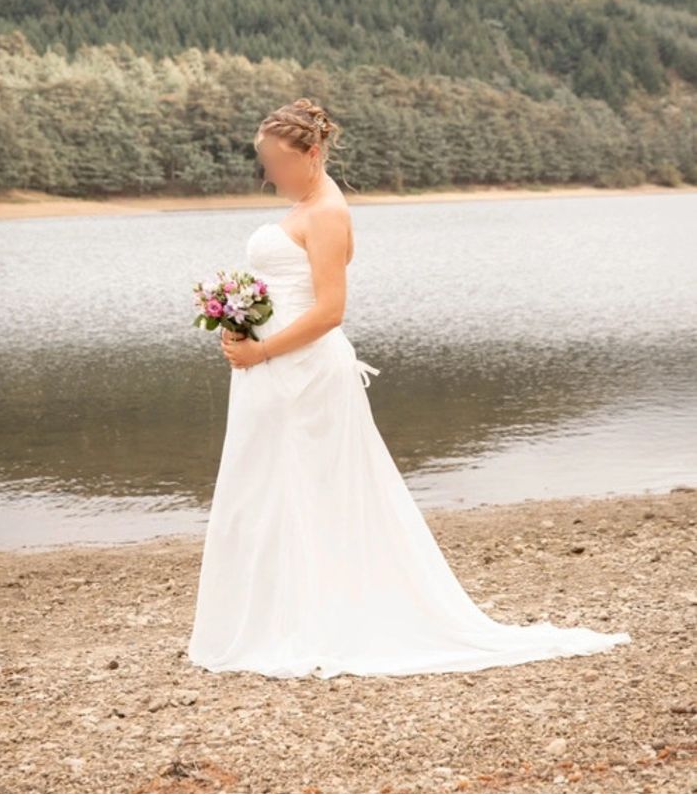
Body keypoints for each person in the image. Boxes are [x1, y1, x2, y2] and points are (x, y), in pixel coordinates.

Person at [187, 97, 631, 679]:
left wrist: (261, 349)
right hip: (274, 372)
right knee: (273, 487)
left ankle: (315, 623)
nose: (268, 173)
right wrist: (240, 324)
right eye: (262, 160)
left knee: (311, 489)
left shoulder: (326, 212)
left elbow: (330, 311)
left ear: (312, 153)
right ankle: (279, 617)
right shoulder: (308, 204)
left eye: (274, 160)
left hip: (302, 375)